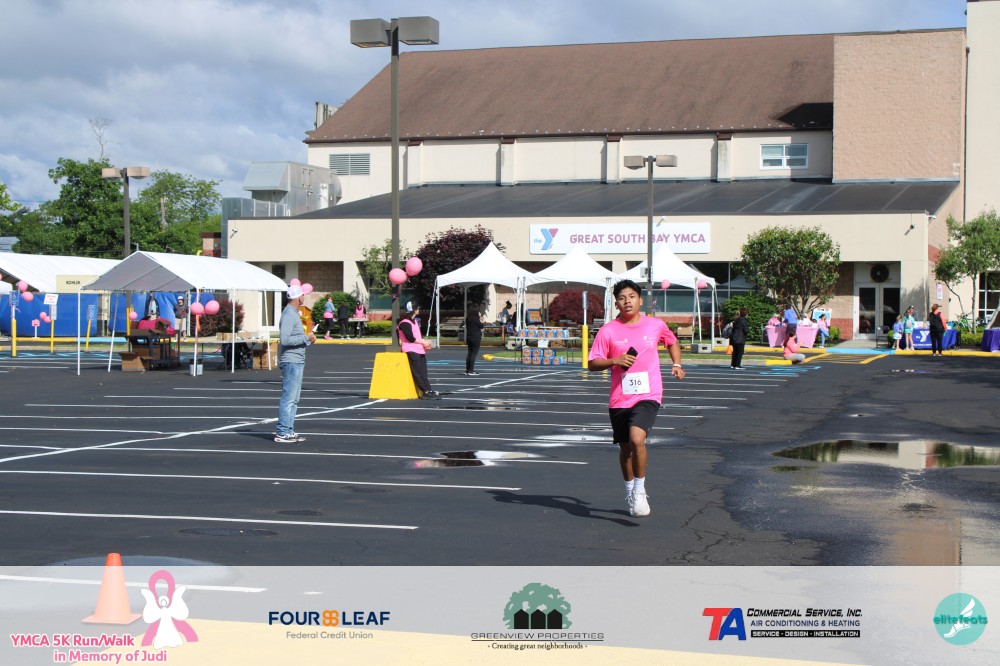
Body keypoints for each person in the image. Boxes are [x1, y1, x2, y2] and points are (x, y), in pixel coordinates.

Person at [587, 279, 686, 518]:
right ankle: (630, 490)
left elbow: (672, 342)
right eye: (622, 298)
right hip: (620, 399)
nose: (627, 301)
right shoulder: (608, 330)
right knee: (625, 449)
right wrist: (615, 360)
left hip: (648, 394)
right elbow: (592, 363)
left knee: (636, 439)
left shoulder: (655, 325)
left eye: (632, 296)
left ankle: (640, 490)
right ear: (616, 304)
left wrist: (676, 364)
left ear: (641, 300)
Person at [276, 284, 316, 443]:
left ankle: (288, 429)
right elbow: (285, 340)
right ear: (299, 297)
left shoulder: (293, 313)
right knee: (289, 398)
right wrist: (305, 337)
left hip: (297, 360)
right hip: (291, 361)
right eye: (303, 295)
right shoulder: (288, 314)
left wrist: (308, 339)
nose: (304, 297)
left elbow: (294, 338)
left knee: (294, 399)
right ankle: (282, 431)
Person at [399, 305, 440, 400]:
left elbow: (418, 336)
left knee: (423, 372)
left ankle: (429, 390)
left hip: (419, 349)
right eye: (417, 308)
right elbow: (410, 338)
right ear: (412, 310)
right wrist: (423, 342)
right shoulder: (404, 323)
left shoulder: (415, 321)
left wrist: (425, 342)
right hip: (411, 349)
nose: (418, 310)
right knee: (417, 372)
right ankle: (424, 391)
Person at [465, 305, 485, 375]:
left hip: (469, 337)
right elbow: (481, 326)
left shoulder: (468, 318)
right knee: (474, 354)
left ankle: (468, 369)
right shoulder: (476, 319)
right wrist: (480, 318)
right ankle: (471, 370)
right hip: (475, 337)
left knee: (469, 353)